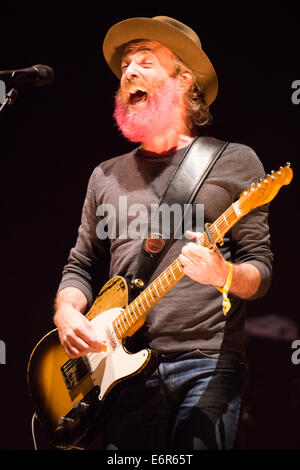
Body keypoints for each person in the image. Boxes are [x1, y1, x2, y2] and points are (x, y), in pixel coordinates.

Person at [53, 16, 273, 450]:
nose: (129, 71)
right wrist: (66, 314)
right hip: (119, 371)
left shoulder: (235, 162)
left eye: (145, 61)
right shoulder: (105, 175)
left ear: (184, 80)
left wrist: (223, 274)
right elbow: (80, 265)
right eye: (125, 65)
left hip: (206, 362)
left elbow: (260, 269)